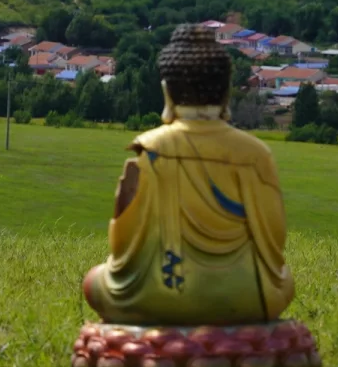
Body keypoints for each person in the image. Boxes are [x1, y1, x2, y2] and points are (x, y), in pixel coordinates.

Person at [82, 24, 293, 326]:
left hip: (159, 295)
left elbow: (122, 247)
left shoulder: (151, 149)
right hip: (247, 297)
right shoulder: (256, 154)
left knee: (95, 281)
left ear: (167, 91)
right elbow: (274, 241)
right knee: (285, 281)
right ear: (226, 91)